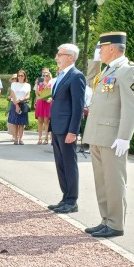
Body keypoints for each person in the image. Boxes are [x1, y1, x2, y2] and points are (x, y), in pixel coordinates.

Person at [82, 32, 134, 238]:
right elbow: (92, 84)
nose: (99, 51)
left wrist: (125, 137)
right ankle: (105, 219)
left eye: (101, 48)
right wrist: (94, 62)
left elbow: (131, 107)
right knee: (102, 181)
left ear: (111, 48)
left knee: (114, 181)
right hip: (98, 134)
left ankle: (116, 224)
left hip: (113, 137)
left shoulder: (127, 71)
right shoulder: (109, 70)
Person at [47, 43, 86, 214]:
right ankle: (65, 197)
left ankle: (72, 200)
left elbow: (78, 107)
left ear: (71, 57)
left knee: (69, 164)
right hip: (57, 127)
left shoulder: (76, 76)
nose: (57, 57)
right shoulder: (61, 75)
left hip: (67, 129)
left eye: (60, 54)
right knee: (60, 164)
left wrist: (73, 131)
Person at [8, 69, 31, 145]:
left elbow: (28, 95)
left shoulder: (27, 85)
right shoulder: (14, 84)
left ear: (24, 76)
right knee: (15, 123)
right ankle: (15, 138)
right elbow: (13, 95)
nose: (20, 77)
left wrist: (22, 99)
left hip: (23, 104)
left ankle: (20, 139)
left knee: (21, 123)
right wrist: (17, 105)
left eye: (22, 75)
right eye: (19, 75)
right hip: (15, 104)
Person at [35, 69, 53, 144]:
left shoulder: (51, 83)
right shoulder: (40, 83)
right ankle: (39, 138)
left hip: (47, 103)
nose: (45, 77)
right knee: (40, 120)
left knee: (46, 121)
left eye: (47, 75)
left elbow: (51, 93)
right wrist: (37, 84)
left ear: (49, 77)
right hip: (40, 102)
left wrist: (46, 86)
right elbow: (37, 93)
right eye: (44, 75)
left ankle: (46, 138)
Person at [6, 73, 17, 141]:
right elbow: (7, 98)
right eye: (13, 79)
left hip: (19, 104)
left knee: (19, 121)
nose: (14, 80)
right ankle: (13, 135)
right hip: (11, 106)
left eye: (16, 78)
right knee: (12, 121)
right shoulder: (10, 88)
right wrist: (10, 96)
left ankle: (18, 135)